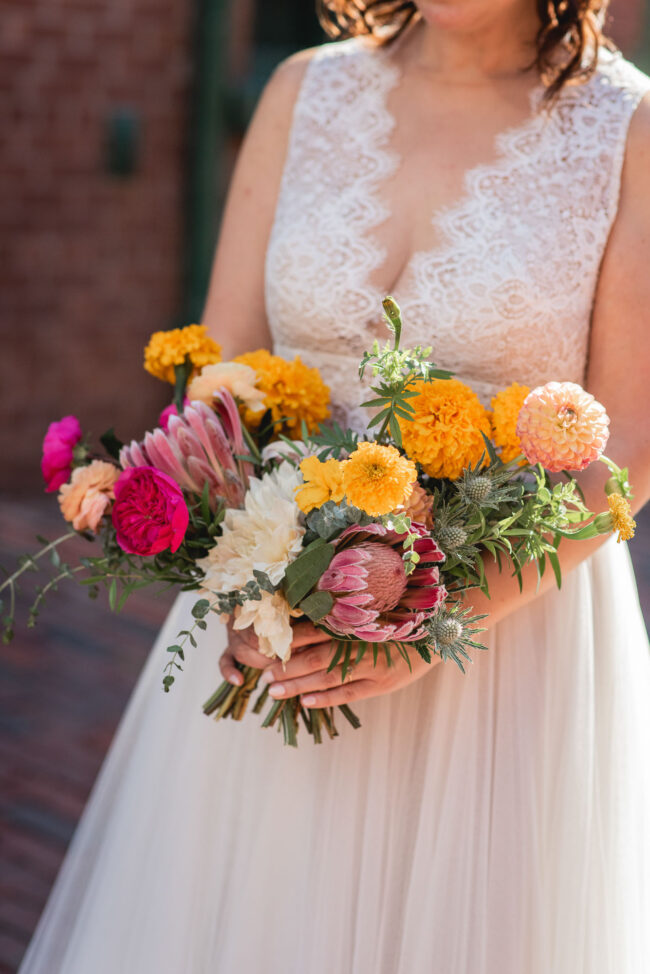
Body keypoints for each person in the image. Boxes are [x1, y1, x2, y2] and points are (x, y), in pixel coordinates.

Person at [19, 1, 650, 971]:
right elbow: (224, 366)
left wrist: (424, 634)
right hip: (274, 619)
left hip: (501, 641)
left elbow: (630, 446)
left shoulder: (627, 126)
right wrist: (234, 577)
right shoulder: (301, 89)